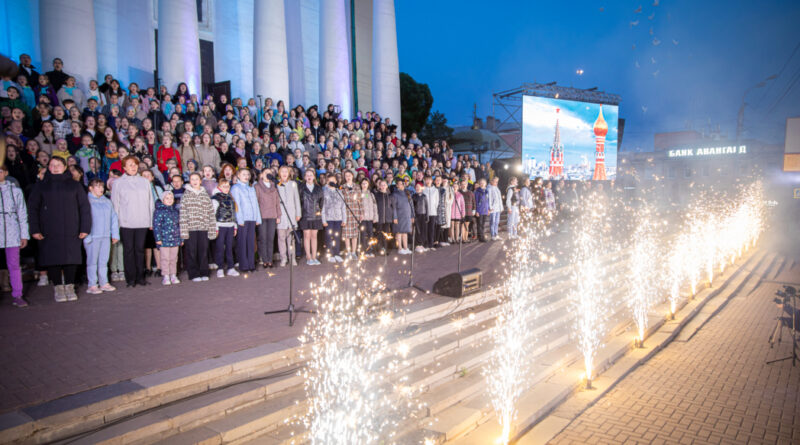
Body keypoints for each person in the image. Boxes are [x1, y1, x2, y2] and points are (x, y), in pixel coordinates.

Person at [28, 157, 91, 302]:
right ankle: (58, 287)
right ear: (48, 167)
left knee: (71, 258)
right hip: (48, 229)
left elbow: (84, 208)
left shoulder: (75, 185)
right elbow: (33, 208)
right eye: (52, 165)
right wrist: (35, 229)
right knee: (52, 258)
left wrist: (85, 227)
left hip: (72, 227)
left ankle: (69, 286)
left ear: (64, 167)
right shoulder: (41, 186)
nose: (55, 167)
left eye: (58, 165)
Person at [111, 156, 155, 287]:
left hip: (142, 221)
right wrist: (116, 225)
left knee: (140, 250)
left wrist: (151, 222)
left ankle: (141, 277)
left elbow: (150, 203)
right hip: (126, 222)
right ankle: (130, 278)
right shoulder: (118, 183)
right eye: (129, 165)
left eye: (135, 164)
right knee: (128, 250)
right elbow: (115, 205)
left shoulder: (145, 181)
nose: (133, 167)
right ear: (124, 167)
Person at [0, 165, 29, 307]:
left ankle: (18, 294)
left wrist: (24, 234)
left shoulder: (15, 191)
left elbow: (22, 213)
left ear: (5, 173)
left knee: (14, 265)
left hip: (12, 231)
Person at [180, 172, 217, 281]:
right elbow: (183, 214)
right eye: (192, 179)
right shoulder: (186, 195)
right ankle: (194, 273)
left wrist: (211, 229)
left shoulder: (205, 195)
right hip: (191, 228)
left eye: (197, 179)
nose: (195, 181)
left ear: (200, 181)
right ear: (189, 181)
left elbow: (210, 212)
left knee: (203, 250)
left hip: (203, 227)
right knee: (192, 251)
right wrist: (184, 231)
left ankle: (204, 272)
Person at [84, 179, 119, 295]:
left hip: (105, 235)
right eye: (97, 186)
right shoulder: (87, 201)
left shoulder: (107, 201)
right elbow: (84, 220)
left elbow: (113, 218)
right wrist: (87, 236)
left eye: (102, 186)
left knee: (104, 261)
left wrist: (114, 234)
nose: (101, 189)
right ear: (91, 188)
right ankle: (92, 284)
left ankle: (104, 282)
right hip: (93, 236)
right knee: (92, 261)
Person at [230, 168, 260, 273]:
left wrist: (257, 218)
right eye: (244, 174)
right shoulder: (235, 188)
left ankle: (251, 264)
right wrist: (240, 219)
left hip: (252, 218)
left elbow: (255, 204)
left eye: (248, 174)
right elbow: (236, 205)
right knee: (242, 243)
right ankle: (244, 265)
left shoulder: (251, 188)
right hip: (243, 219)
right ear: (238, 175)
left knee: (251, 242)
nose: (246, 176)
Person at [152, 190, 181, 285]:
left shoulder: (175, 211)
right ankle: (166, 275)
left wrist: (181, 238)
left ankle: (173, 274)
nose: (169, 200)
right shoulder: (159, 211)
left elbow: (179, 225)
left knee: (174, 258)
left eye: (171, 198)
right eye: (167, 198)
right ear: (162, 199)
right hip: (164, 239)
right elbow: (156, 226)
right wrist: (158, 239)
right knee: (165, 258)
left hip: (175, 239)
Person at [211, 179, 238, 277]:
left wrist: (235, 226)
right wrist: (215, 227)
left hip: (230, 226)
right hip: (220, 226)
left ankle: (231, 267)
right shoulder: (215, 198)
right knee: (220, 248)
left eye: (228, 186)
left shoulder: (230, 198)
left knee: (230, 247)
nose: (226, 188)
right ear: (219, 187)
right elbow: (213, 213)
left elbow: (233, 213)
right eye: (224, 186)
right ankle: (220, 268)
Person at [276, 165, 301, 267]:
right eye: (282, 172)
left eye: (286, 171)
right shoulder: (276, 184)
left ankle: (292, 258)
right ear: (279, 173)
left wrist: (298, 213)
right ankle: (283, 258)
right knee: (281, 238)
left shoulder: (293, 184)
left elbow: (297, 199)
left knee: (291, 238)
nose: (284, 174)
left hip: (291, 214)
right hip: (281, 215)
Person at [254, 169, 280, 268]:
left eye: (270, 173)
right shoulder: (257, 186)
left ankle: (270, 259)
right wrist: (257, 217)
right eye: (266, 173)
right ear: (261, 175)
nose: (268, 175)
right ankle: (264, 259)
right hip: (262, 216)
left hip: (272, 215)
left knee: (270, 238)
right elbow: (256, 203)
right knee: (263, 238)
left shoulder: (274, 186)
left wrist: (278, 215)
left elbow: (277, 202)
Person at [299, 169, 323, 265]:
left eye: (311, 175)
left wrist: (318, 211)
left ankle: (314, 257)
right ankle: (308, 257)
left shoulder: (318, 188)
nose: (309, 177)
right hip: (305, 215)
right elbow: (299, 201)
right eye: (307, 175)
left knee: (314, 236)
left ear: (314, 177)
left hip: (316, 216)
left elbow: (322, 202)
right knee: (307, 236)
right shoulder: (301, 188)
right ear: (305, 177)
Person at [321, 173, 345, 263]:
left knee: (337, 236)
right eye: (329, 180)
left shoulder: (339, 192)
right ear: (327, 182)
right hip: (329, 218)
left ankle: (337, 253)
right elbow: (323, 207)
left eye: (333, 180)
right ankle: (330, 253)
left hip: (338, 218)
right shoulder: (324, 192)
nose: (332, 182)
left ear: (336, 181)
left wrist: (344, 219)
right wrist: (324, 219)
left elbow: (343, 207)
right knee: (329, 236)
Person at [340, 170, 363, 259]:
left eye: (349, 175)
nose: (348, 177)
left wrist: (362, 213)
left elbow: (360, 200)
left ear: (352, 176)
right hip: (346, 212)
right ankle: (348, 252)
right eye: (346, 176)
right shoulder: (342, 187)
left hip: (356, 212)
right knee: (346, 234)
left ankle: (354, 252)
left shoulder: (357, 186)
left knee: (354, 234)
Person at [392, 179, 414, 254]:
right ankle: (400, 248)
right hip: (399, 215)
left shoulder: (407, 193)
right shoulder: (395, 194)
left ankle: (405, 247)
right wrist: (395, 217)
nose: (402, 185)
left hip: (407, 215)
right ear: (397, 185)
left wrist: (412, 215)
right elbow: (394, 207)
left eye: (403, 184)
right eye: (400, 184)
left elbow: (411, 205)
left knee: (405, 232)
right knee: (399, 232)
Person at [374, 179, 395, 255]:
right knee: (379, 234)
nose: (382, 186)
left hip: (387, 219)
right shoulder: (376, 195)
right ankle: (379, 250)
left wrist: (393, 217)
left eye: (384, 185)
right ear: (379, 186)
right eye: (381, 185)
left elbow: (393, 207)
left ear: (387, 186)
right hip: (379, 218)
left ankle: (385, 249)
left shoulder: (390, 196)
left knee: (386, 234)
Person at [359, 178, 378, 257]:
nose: (364, 185)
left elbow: (374, 206)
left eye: (366, 183)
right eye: (363, 183)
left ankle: (370, 250)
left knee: (370, 234)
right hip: (363, 219)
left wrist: (375, 217)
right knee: (363, 235)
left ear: (368, 184)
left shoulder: (371, 194)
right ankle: (364, 251)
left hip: (370, 218)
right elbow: (358, 206)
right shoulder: (359, 194)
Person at [422, 176, 439, 249]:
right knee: (425, 229)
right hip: (425, 213)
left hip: (433, 212)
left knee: (431, 229)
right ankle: (425, 244)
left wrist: (434, 209)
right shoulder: (423, 189)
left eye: (429, 180)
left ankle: (431, 244)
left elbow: (437, 201)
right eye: (426, 180)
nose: (428, 181)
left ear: (432, 181)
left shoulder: (435, 190)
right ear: (425, 181)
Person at [412, 181, 428, 253]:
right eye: (416, 187)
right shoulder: (413, 196)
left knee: (423, 230)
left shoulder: (424, 196)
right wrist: (413, 216)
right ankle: (417, 245)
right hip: (417, 215)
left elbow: (426, 206)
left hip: (423, 215)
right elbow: (412, 207)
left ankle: (422, 244)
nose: (417, 188)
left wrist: (427, 216)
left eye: (419, 187)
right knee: (417, 230)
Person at [487, 176, 503, 240]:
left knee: (497, 222)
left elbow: (499, 198)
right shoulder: (489, 188)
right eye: (495, 181)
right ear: (491, 181)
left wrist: (501, 207)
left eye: (497, 182)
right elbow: (489, 198)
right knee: (492, 222)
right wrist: (490, 207)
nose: (496, 183)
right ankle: (493, 235)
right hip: (493, 208)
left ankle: (496, 234)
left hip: (498, 208)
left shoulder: (496, 188)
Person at [474, 178, 489, 242]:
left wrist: (488, 209)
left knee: (483, 224)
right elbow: (476, 201)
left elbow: (488, 201)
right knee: (479, 224)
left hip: (485, 210)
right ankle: (481, 237)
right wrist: (476, 211)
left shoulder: (486, 191)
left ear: (485, 183)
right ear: (479, 184)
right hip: (479, 210)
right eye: (481, 183)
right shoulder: (477, 191)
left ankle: (482, 236)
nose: (482, 184)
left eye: (483, 183)